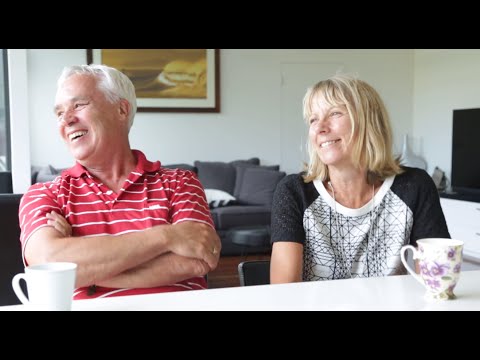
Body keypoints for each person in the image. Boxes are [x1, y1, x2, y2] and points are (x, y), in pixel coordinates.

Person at [18, 64, 221, 299]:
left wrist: (85, 270)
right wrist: (169, 237)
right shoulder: (44, 194)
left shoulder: (180, 183)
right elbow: (47, 261)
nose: (67, 120)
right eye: (59, 113)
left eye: (79, 105)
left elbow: (195, 262)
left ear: (122, 110)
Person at [270, 74, 450, 283]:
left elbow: (436, 284)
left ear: (368, 121)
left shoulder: (414, 186)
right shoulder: (294, 191)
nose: (320, 128)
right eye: (313, 119)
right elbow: (283, 293)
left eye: (335, 113)